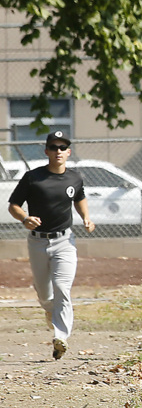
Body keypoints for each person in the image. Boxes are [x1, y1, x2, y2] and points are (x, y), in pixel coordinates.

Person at [7, 131, 95, 360]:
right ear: (46, 151)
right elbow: (13, 205)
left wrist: (86, 216)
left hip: (65, 241)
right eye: (54, 147)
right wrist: (24, 218)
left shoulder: (75, 178)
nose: (58, 151)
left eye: (63, 147)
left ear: (68, 152)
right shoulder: (32, 178)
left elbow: (80, 198)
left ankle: (61, 337)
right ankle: (50, 310)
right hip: (37, 242)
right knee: (45, 294)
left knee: (62, 288)